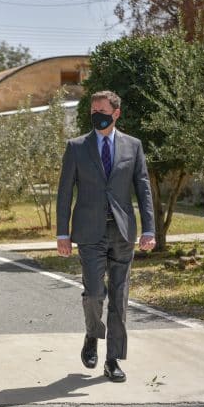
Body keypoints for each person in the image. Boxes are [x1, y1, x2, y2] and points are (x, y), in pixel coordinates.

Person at [56, 90, 155, 383]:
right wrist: (63, 233)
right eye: (92, 111)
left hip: (122, 232)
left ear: (116, 113)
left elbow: (143, 188)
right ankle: (91, 333)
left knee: (120, 296)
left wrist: (149, 229)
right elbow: (64, 193)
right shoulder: (76, 147)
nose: (96, 115)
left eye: (102, 110)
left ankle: (112, 360)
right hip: (89, 232)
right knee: (95, 293)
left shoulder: (133, 146)